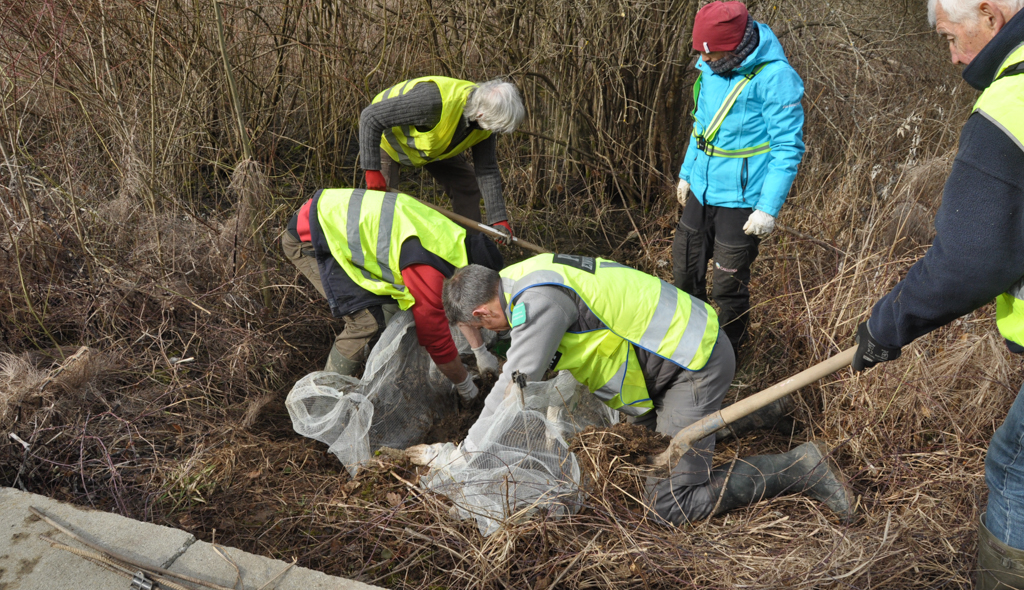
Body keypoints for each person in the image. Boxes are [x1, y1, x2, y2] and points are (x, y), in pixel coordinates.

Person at [847, 0, 1024, 588]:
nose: (951, 57)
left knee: (1014, 465)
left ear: (993, 15)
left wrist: (887, 327)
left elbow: (970, 259)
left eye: (953, 39)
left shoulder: (1009, 106)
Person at [441, 253, 853, 525]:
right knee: (644, 449)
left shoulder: (537, 304)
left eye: (481, 328)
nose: (490, 336)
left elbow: (514, 387)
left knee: (669, 503)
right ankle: (768, 412)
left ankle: (802, 467)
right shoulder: (519, 275)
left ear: (481, 311)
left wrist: (468, 456)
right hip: (679, 351)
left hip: (691, 365)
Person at [282, 188, 504, 401]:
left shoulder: (452, 239)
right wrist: (465, 386)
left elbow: (457, 303)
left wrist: (479, 351)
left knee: (391, 310)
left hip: (336, 219)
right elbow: (437, 342)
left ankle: (373, 373)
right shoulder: (428, 270)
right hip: (312, 236)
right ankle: (326, 399)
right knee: (367, 321)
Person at [673, 1, 806, 355]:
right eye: (704, 54)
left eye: (713, 54)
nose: (706, 61)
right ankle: (688, 347)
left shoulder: (776, 78)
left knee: (727, 288)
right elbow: (700, 127)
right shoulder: (709, 64)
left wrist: (768, 208)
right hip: (701, 189)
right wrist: (686, 174)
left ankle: (729, 356)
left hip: (742, 200)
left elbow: (787, 147)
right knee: (686, 271)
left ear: (733, 47)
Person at [358, 76, 525, 237]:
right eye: (496, 128)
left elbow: (487, 169)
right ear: (480, 115)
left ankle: (471, 250)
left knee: (466, 185)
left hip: (431, 146)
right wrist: (372, 170)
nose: (494, 133)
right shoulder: (432, 103)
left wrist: (498, 218)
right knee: (383, 203)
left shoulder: (486, 122)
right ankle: (376, 256)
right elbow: (369, 118)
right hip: (387, 140)